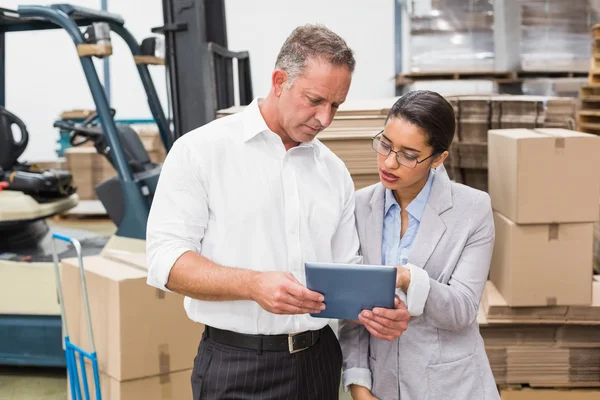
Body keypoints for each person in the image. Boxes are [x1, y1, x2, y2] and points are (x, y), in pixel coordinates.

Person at [145, 24, 410, 400]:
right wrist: (253, 285)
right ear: (279, 80)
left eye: (336, 105)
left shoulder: (333, 171)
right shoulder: (201, 152)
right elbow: (165, 262)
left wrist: (380, 310)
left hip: (318, 362)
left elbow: (346, 268)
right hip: (237, 364)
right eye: (315, 100)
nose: (325, 119)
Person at [339, 90, 500, 400]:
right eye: (385, 144)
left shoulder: (472, 209)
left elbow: (463, 310)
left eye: (408, 155)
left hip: (452, 387)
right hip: (382, 386)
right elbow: (353, 312)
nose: (389, 162)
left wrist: (409, 278)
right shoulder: (359, 207)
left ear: (438, 158)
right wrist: (359, 385)